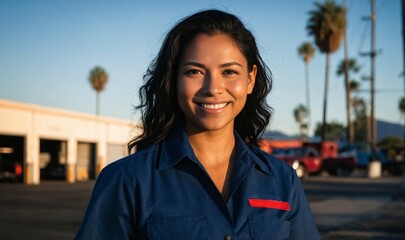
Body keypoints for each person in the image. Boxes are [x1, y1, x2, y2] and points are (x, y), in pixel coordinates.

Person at [75, 9, 320, 240]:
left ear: (250, 79)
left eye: (229, 72)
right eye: (195, 72)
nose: (213, 88)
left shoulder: (282, 180)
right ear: (174, 79)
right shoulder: (126, 180)